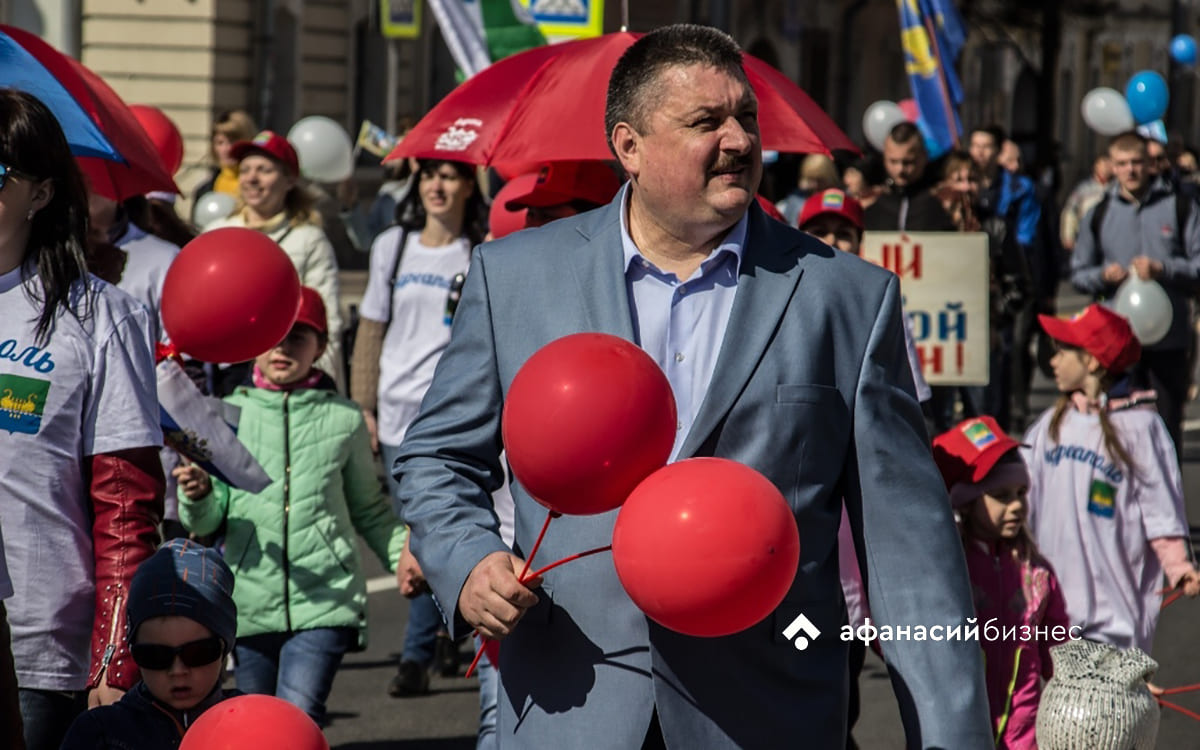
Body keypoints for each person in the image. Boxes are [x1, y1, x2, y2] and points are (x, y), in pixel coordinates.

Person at [392, 24, 991, 749]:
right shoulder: (515, 277)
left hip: (765, 712)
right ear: (628, 147)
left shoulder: (849, 299)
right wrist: (469, 562)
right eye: (706, 122)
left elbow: (910, 554)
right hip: (569, 703)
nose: (738, 140)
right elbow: (435, 458)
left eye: (746, 118)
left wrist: (952, 735)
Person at [0, 90, 164, 750]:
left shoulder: (99, 315)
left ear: (40, 195)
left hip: (35, 652)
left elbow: (125, 501)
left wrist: (114, 655)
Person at [173, 286, 405, 726]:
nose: (283, 347)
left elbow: (369, 510)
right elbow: (207, 519)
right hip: (248, 603)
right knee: (256, 725)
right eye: (273, 336)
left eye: (298, 336)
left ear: (321, 347)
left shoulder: (345, 419)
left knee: (298, 716)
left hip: (326, 600)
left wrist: (405, 558)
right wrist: (199, 493)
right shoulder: (225, 414)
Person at [1022, 304, 1200, 655]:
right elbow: (1019, 489)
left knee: (1105, 708)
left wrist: (1179, 566)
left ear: (1091, 362)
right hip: (1052, 607)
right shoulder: (1051, 425)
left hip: (1112, 615)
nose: (1052, 362)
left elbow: (1160, 507)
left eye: (1062, 352)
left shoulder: (1142, 429)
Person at [932, 416, 1070, 750]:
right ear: (966, 501)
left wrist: (1109, 685)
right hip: (958, 732)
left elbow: (1062, 652)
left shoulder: (1037, 573)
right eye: (1001, 495)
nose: (1016, 506)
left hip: (1026, 733)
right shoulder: (948, 569)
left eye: (1021, 492)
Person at [1070, 130, 1200, 454]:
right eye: (1123, 163)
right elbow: (1077, 272)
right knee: (1114, 429)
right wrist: (1103, 275)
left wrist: (1164, 268)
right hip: (1116, 342)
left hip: (1167, 338)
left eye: (1137, 162)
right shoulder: (1098, 213)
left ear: (1150, 164)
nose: (1130, 170)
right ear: (1111, 166)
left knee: (1166, 431)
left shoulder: (1180, 207)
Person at [59, 539, 240, 748]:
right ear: (134, 651)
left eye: (197, 653)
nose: (178, 670)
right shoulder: (100, 734)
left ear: (224, 647)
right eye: (156, 656)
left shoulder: (253, 722)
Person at [207, 130, 345, 394]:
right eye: (245, 170)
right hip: (223, 373)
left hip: (282, 376)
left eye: (264, 170)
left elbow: (328, 319)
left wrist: (317, 385)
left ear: (289, 179)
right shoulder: (217, 233)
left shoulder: (307, 239)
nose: (252, 178)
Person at [968, 125, 1045, 431]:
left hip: (1007, 274)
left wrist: (1001, 257)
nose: (980, 152)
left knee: (1007, 349)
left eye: (986, 146)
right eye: (975, 145)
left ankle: (1009, 411)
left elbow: (1025, 236)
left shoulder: (1019, 188)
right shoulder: (966, 186)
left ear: (998, 151)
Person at [863, 121, 956, 233]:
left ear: (924, 156)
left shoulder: (945, 200)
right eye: (893, 161)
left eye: (908, 162)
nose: (900, 170)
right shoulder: (870, 201)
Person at [190, 109, 257, 222]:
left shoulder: (259, 187)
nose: (227, 149)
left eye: (233, 142)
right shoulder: (203, 190)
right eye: (220, 143)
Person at [1059, 154, 1112, 252]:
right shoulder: (1083, 188)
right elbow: (1070, 211)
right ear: (1096, 166)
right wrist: (1068, 235)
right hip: (1085, 235)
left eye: (1109, 164)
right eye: (1103, 164)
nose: (1106, 168)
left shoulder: (1115, 189)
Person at [774, 152, 840, 226]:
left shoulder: (837, 200)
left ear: (829, 178)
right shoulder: (792, 202)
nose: (816, 185)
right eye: (811, 179)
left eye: (820, 180)